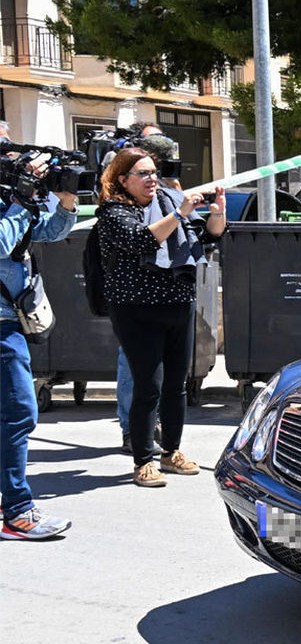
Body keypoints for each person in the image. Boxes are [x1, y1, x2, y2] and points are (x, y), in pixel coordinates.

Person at [97, 148, 226, 487]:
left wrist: (217, 215)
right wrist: (181, 213)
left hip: (178, 302)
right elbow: (142, 240)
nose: (152, 179)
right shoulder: (113, 212)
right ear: (123, 179)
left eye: (154, 172)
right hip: (135, 309)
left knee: (176, 385)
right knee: (148, 385)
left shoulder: (170, 201)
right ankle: (143, 460)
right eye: (143, 173)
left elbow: (209, 235)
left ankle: (171, 451)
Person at [1, 161, 79, 539]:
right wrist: (20, 198)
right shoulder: (11, 201)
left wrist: (65, 202)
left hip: (10, 321)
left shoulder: (10, 201)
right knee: (19, 413)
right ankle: (15, 512)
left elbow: (45, 233)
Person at [114, 123, 176, 454]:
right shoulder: (121, 190)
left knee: (160, 366)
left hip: (165, 288)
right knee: (131, 363)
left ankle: (155, 423)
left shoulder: (160, 184)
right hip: (133, 293)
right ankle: (131, 428)